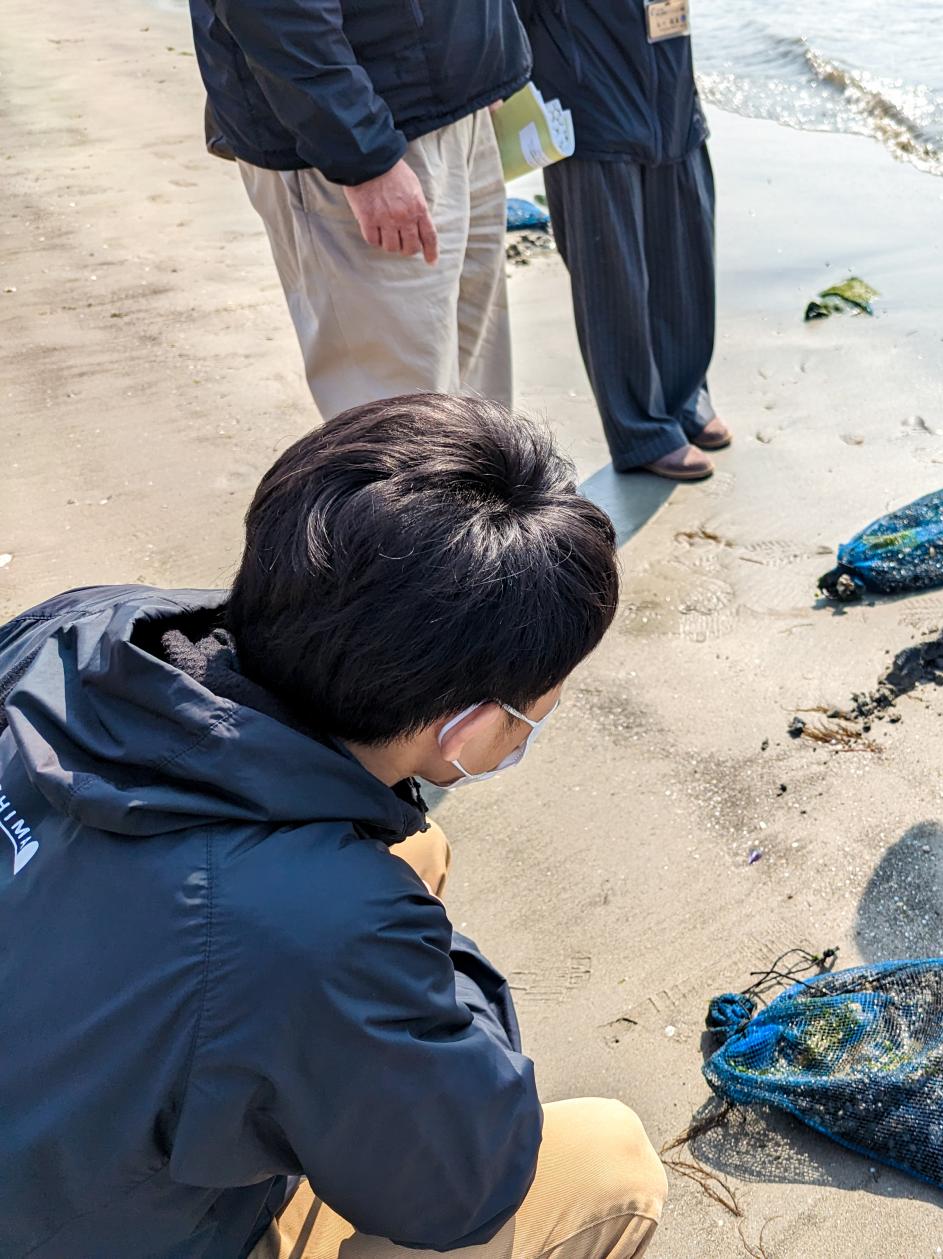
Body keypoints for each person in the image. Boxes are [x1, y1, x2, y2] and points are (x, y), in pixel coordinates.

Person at [0, 395, 666, 1258]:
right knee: (607, 1165)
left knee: (414, 848)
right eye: (533, 710)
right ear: (463, 728)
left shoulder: (82, 627)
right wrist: (412, 948)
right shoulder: (326, 926)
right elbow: (465, 1178)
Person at [191, 0, 531, 419]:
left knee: (479, 415)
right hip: (365, 138)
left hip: (451, 99)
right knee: (400, 421)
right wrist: (364, 156)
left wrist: (488, 59)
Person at [519, 0, 729, 482]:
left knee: (687, 258)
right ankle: (642, 431)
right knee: (613, 280)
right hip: (589, 108)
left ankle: (685, 397)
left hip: (673, 102)